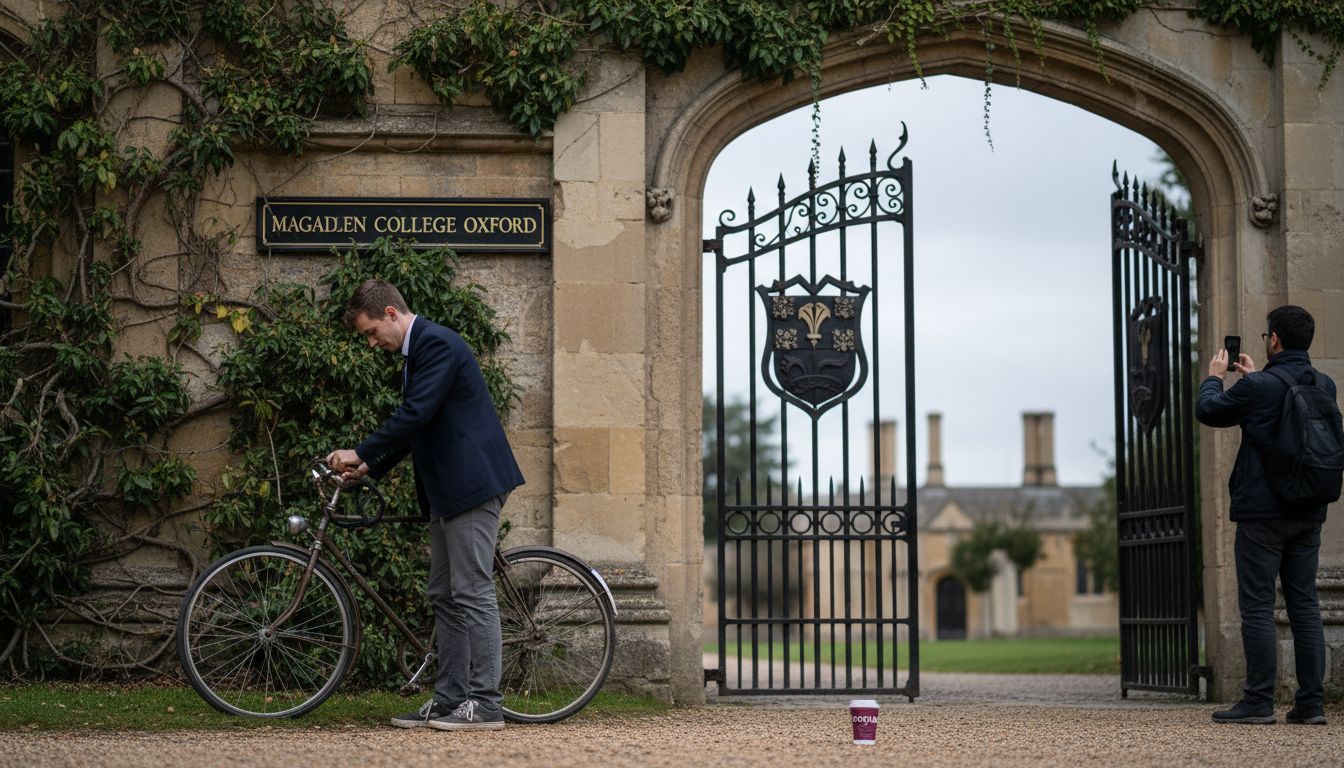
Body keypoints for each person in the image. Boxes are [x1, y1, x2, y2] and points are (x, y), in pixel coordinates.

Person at [326, 278, 524, 731]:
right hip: (447, 491)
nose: (373, 343)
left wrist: (358, 450)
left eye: (372, 332)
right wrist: (369, 467)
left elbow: (412, 415)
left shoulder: (436, 343)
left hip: (471, 485)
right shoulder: (418, 353)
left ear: (391, 314)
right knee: (444, 594)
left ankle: (486, 704)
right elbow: (419, 425)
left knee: (472, 591)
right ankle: (450, 699)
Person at [1195, 305, 1334, 725]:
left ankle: (1257, 701)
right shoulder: (1322, 383)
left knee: (1256, 606)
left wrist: (1215, 378)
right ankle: (1310, 705)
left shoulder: (1261, 387)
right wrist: (1252, 380)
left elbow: (1210, 411)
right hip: (1309, 508)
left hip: (1263, 512)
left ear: (1274, 339)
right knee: (1305, 605)